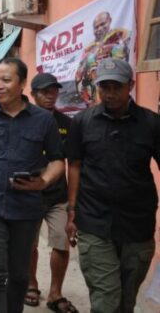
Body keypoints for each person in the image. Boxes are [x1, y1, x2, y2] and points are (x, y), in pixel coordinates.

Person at [0, 58, 66, 313]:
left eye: (6, 80)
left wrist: (44, 181)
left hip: (26, 209)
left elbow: (58, 161)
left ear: (22, 84)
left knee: (19, 274)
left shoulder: (43, 120)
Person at [66, 58, 160, 313]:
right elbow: (74, 165)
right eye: (104, 87)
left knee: (125, 302)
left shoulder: (151, 124)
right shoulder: (82, 122)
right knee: (106, 300)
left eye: (116, 87)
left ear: (130, 85)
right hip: (94, 221)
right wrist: (71, 210)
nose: (109, 94)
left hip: (137, 225)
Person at [25, 73, 77, 313]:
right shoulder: (24, 120)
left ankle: (55, 292)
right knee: (28, 245)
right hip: (29, 194)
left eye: (54, 91)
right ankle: (31, 284)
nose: (50, 95)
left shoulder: (66, 123)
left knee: (61, 243)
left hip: (58, 197)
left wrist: (74, 205)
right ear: (33, 94)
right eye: (45, 91)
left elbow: (74, 164)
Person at [74, 12, 130, 105]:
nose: (99, 28)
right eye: (96, 27)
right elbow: (79, 75)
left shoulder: (120, 35)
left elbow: (122, 60)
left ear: (110, 21)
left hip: (114, 93)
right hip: (94, 97)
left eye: (103, 24)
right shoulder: (89, 49)